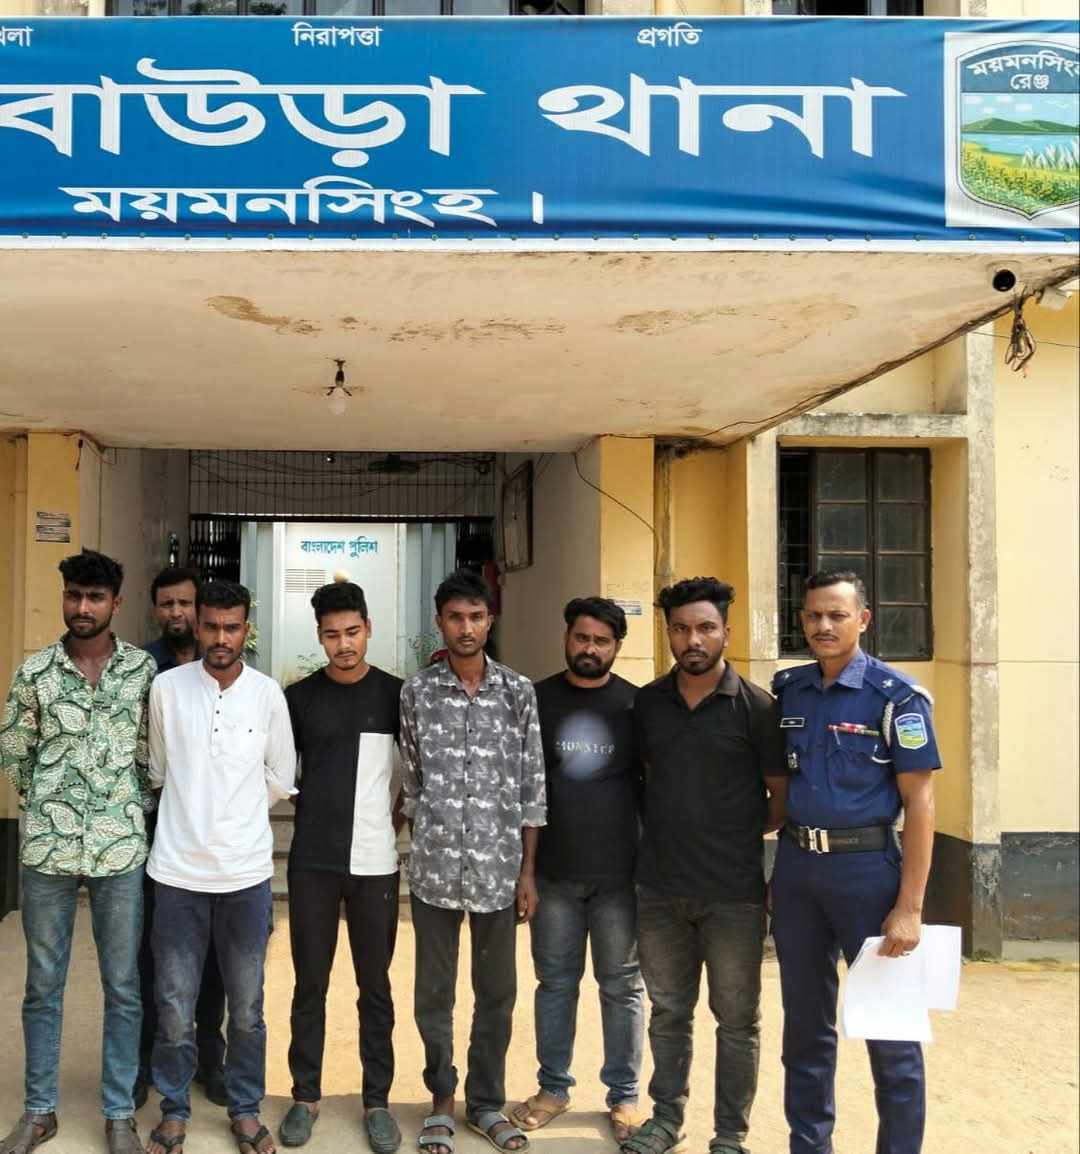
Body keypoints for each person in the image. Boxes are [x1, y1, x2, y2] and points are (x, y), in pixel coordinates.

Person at [770, 570, 940, 1154]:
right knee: (805, 1030)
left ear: (862, 620)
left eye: (837, 615)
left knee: (891, 1035)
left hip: (868, 875)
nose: (824, 625)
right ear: (802, 620)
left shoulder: (897, 698)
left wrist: (910, 907)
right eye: (814, 615)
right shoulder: (789, 690)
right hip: (798, 872)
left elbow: (920, 802)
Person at [0, 549, 156, 1154]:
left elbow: (151, 754)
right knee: (44, 984)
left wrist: (122, 807)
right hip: (48, 852)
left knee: (123, 984)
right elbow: (16, 754)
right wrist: (49, 803)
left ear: (116, 603)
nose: (82, 607)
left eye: (95, 597)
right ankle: (40, 1110)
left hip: (120, 850)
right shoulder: (35, 673)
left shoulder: (142, 672)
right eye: (74, 595)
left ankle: (119, 1113)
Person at [625, 577, 788, 1154]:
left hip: (734, 895)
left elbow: (779, 798)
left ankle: (730, 1135)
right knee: (669, 1013)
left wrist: (729, 835)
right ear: (667, 632)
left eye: (705, 628)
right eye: (681, 628)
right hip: (660, 890)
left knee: (737, 1021)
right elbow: (643, 781)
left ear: (726, 631)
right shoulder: (648, 703)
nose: (692, 640)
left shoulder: (758, 709)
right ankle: (666, 1120)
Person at [145, 580, 296, 1154]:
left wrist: (233, 815)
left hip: (245, 877)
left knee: (249, 1009)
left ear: (246, 630)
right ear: (197, 625)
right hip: (176, 874)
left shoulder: (267, 695)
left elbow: (281, 776)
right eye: (210, 626)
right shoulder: (166, 689)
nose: (220, 638)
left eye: (232, 627)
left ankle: (246, 1109)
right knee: (174, 1007)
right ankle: (174, 1110)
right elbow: (159, 771)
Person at [399, 568, 546, 1154]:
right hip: (434, 873)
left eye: (476, 617)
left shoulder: (518, 693)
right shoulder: (416, 693)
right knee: (433, 994)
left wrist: (527, 872)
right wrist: (424, 841)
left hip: (499, 872)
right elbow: (411, 782)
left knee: (497, 993)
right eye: (455, 617)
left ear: (491, 620)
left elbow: (532, 787)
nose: (466, 628)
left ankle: (486, 1102)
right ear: (440, 621)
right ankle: (441, 1099)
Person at [510, 597, 644, 1145]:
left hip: (620, 878)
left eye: (601, 641)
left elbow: (653, 788)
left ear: (616, 647)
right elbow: (525, 790)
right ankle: (553, 1088)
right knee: (555, 984)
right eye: (581, 637)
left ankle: (625, 1096)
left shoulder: (638, 705)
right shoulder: (535, 700)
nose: (590, 648)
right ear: (567, 637)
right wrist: (526, 872)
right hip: (554, 876)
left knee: (622, 988)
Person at [278, 582, 404, 1154]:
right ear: (319, 636)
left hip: (376, 863)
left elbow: (409, 776)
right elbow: (286, 776)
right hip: (314, 863)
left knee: (375, 987)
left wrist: (388, 822)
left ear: (369, 628)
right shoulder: (299, 698)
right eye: (332, 635)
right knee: (310, 983)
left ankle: (377, 1101)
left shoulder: (396, 695)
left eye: (352, 632)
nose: (344, 644)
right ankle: (305, 1096)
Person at [136, 566, 228, 1112]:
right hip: (157, 836)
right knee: (155, 955)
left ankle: (211, 1058)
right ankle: (150, 1058)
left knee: (215, 956)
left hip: (216, 841)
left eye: (185, 603)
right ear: (155, 609)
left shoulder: (225, 667)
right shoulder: (140, 670)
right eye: (167, 603)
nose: (177, 613)